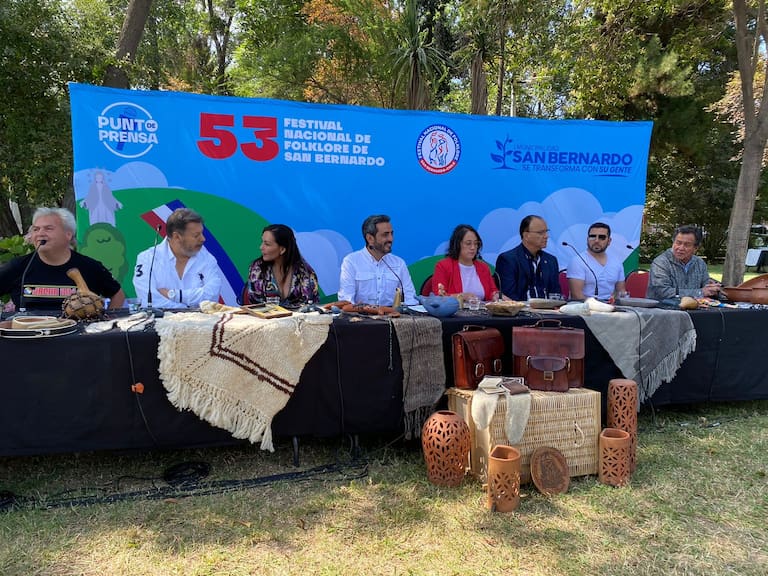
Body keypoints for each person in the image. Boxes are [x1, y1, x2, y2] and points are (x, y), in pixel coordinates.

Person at [0, 207, 125, 311]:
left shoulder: (90, 267)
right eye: (36, 229)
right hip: (29, 332)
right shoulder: (18, 266)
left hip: (77, 333)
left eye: (48, 228)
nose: (40, 233)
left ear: (68, 234)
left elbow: (117, 295)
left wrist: (106, 323)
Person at [133, 208, 223, 309]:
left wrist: (174, 295)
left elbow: (212, 296)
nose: (203, 239)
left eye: (202, 233)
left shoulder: (207, 258)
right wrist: (188, 311)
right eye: (196, 235)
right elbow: (149, 301)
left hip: (201, 319)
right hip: (163, 319)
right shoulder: (148, 259)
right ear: (176, 237)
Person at [338, 214, 417, 306]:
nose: (391, 239)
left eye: (391, 234)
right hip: (359, 314)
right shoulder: (351, 262)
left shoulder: (399, 263)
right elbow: (346, 300)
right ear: (370, 238)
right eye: (385, 235)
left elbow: (411, 299)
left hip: (393, 314)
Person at [245, 224, 319, 307]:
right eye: (262, 242)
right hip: (265, 315)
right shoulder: (257, 269)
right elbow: (255, 304)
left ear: (282, 249)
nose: (261, 247)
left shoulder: (305, 272)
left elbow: (311, 305)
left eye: (267, 244)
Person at [646, 225, 721, 300]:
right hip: (662, 306)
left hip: (694, 306)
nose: (681, 248)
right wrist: (699, 292)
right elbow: (663, 291)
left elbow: (706, 285)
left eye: (687, 245)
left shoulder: (699, 263)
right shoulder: (661, 262)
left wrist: (714, 289)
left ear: (695, 248)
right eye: (678, 243)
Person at [495, 215, 560, 301]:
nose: (546, 236)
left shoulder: (551, 260)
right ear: (526, 235)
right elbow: (509, 296)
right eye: (541, 233)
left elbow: (555, 294)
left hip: (549, 308)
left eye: (546, 232)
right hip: (521, 308)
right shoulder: (508, 260)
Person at [432, 224, 497, 301]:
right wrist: (461, 296)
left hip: (481, 308)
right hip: (456, 309)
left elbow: (492, 291)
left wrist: (496, 296)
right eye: (468, 243)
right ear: (457, 244)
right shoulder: (443, 266)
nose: (473, 247)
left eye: (476, 243)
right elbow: (439, 296)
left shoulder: (483, 267)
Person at [567, 222, 626, 301]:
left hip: (610, 306)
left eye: (602, 237)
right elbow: (577, 295)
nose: (596, 240)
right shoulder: (577, 261)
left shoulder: (617, 262)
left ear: (609, 241)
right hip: (584, 306)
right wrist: (600, 306)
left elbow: (621, 292)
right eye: (592, 236)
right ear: (587, 239)